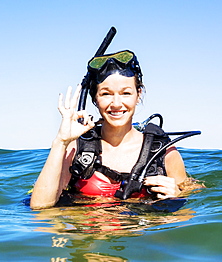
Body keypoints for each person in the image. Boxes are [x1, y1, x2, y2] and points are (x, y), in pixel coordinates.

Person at [30, 50, 189, 210]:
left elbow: (191, 206)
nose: (116, 103)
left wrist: (177, 196)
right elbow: (39, 208)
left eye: (126, 93)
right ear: (95, 98)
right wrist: (61, 141)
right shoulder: (76, 149)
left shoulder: (164, 153)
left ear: (138, 94)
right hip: (88, 232)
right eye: (106, 94)